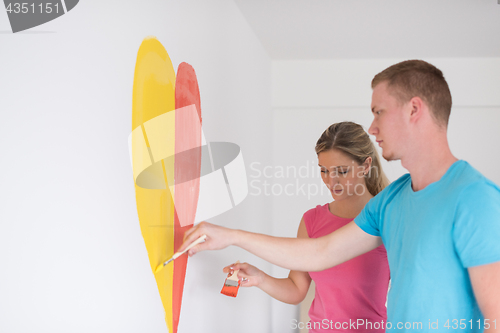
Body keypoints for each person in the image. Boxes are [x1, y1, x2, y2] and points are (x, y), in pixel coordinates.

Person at [181, 60, 500, 332]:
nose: (372, 128)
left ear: (414, 109)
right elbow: (320, 253)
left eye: (379, 112)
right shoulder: (391, 202)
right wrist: (232, 236)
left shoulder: (476, 199)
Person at [223, 122, 390, 332]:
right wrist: (259, 278)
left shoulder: (386, 218)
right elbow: (296, 289)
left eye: (342, 171)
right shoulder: (312, 220)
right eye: (324, 170)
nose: (331, 181)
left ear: (366, 165)